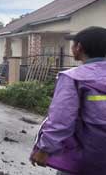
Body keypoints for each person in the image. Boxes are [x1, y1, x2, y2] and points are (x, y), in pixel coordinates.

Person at [30, 27, 106, 175]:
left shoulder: (74, 78)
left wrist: (45, 148)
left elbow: (62, 118)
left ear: (78, 47)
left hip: (89, 155)